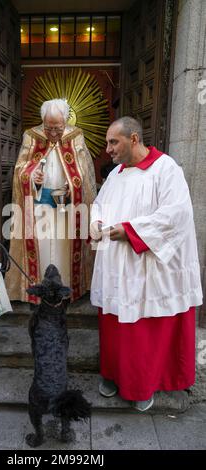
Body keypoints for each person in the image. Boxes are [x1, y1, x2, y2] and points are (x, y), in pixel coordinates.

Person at [90, 117, 203, 411]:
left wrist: (129, 231)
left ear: (134, 138)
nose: (108, 149)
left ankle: (143, 386)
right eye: (107, 142)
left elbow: (176, 215)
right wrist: (97, 221)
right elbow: (99, 204)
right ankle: (113, 376)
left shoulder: (166, 169)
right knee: (115, 327)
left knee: (143, 330)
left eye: (113, 142)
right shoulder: (115, 174)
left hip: (148, 266)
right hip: (117, 264)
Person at [6, 99, 97, 303]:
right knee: (43, 248)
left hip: (67, 207)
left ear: (65, 121)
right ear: (42, 122)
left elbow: (83, 171)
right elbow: (20, 169)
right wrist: (32, 178)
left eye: (58, 128)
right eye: (49, 128)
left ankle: (67, 288)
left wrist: (72, 187)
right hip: (40, 208)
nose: (54, 133)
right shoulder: (32, 136)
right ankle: (42, 290)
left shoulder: (76, 136)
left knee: (65, 248)